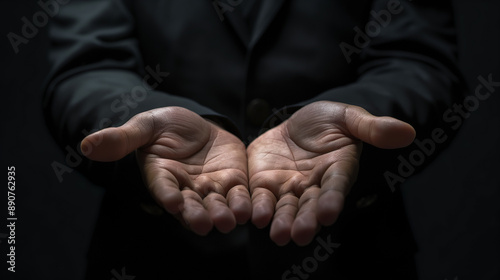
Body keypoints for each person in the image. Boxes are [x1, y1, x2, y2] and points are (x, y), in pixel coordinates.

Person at [43, 0, 464, 279]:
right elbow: (85, 67)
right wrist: (141, 121)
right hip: (152, 260)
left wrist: (354, 116)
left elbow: (418, 60)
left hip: (351, 260)